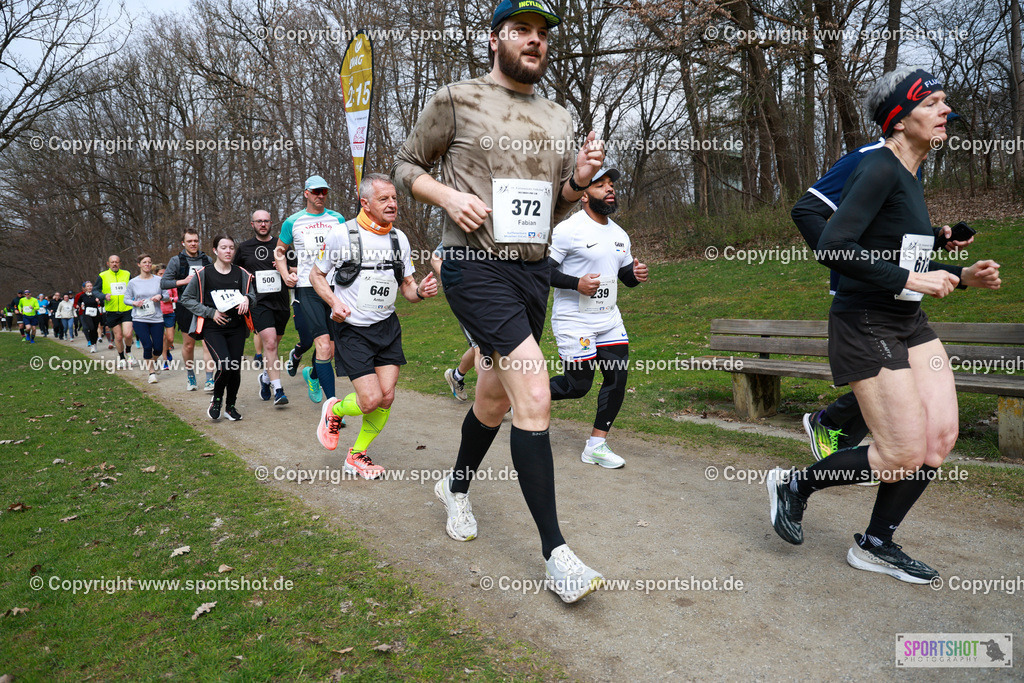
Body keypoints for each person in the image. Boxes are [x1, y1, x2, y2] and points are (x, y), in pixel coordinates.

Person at [393, 0, 607, 603]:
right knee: (533, 391)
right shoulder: (456, 100)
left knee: (492, 398)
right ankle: (556, 554)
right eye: (521, 31)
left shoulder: (561, 119)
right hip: (472, 265)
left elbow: (555, 208)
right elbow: (406, 164)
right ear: (495, 40)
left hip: (531, 275)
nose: (534, 42)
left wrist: (578, 181)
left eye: (542, 33)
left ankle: (455, 488)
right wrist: (445, 199)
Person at [766, 67, 1002, 584]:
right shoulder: (876, 166)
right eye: (933, 102)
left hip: (907, 319)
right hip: (864, 317)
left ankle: (876, 543)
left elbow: (899, 246)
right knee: (899, 452)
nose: (945, 111)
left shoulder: (910, 172)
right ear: (899, 118)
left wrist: (959, 272)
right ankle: (795, 486)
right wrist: (916, 279)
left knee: (938, 440)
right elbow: (831, 244)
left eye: (946, 101)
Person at [792, 139, 972, 472]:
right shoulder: (870, 158)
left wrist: (936, 238)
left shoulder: (911, 165)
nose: (944, 120)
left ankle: (851, 440)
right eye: (932, 107)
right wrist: (851, 261)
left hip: (900, 292)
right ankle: (835, 432)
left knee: (911, 377)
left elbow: (886, 230)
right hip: (864, 292)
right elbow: (806, 210)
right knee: (897, 375)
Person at [313, 174, 438, 477]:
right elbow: (317, 276)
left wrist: (420, 292)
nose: (392, 204)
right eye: (384, 199)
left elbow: (407, 288)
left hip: (387, 326)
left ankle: (357, 455)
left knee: (388, 395)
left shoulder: (400, 239)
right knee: (370, 400)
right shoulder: (343, 235)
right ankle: (335, 409)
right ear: (365, 203)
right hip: (353, 328)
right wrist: (334, 303)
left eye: (394, 198)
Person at [547, 167, 648, 468]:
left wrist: (636, 274)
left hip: (609, 320)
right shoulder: (568, 229)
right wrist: (576, 283)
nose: (609, 189)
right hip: (574, 319)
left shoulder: (619, 234)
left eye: (611, 184)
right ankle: (520, 393)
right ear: (583, 195)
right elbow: (542, 272)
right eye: (600, 184)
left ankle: (596, 445)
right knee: (578, 386)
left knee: (617, 377)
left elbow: (624, 276)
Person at [274, 175, 345, 406]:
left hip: (336, 287)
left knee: (331, 350)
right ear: (306, 193)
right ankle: (333, 406)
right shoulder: (292, 222)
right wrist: (286, 275)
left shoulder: (337, 218)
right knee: (322, 344)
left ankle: (313, 375)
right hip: (307, 287)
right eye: (316, 192)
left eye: (324, 191)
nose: (320, 196)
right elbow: (279, 252)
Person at [181, 235, 256, 421]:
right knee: (224, 364)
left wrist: (248, 299)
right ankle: (216, 399)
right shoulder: (203, 274)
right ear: (215, 250)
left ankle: (230, 406)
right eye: (224, 247)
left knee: (234, 367)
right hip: (213, 328)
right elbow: (186, 299)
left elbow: (253, 295)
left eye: (231, 247)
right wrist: (210, 312)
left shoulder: (241, 273)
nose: (228, 251)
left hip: (236, 327)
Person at [235, 209, 290, 405]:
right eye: (259, 221)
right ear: (252, 224)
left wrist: (284, 268)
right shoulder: (244, 248)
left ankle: (265, 378)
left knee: (275, 343)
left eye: (266, 221)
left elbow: (296, 269)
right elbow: (236, 273)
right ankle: (279, 390)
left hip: (281, 302)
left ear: (271, 223)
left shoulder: (281, 246)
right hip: (258, 302)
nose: (263, 224)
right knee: (270, 343)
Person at [162, 229, 215, 391]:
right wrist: (183, 281)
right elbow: (164, 283)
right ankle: (191, 376)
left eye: (196, 241)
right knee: (189, 345)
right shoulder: (176, 261)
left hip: (205, 306)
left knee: (208, 344)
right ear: (183, 243)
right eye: (190, 241)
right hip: (186, 307)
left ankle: (209, 379)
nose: (193, 244)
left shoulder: (207, 260)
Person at [431, 244, 478, 402]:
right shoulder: (462, 229)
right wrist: (453, 283)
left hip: (496, 298)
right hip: (468, 300)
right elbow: (436, 257)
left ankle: (456, 376)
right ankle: (494, 399)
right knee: (481, 348)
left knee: (481, 347)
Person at [125, 254, 171, 383]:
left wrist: (160, 297)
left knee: (157, 347)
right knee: (147, 345)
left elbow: (166, 295)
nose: (147, 264)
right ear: (139, 264)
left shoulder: (158, 280)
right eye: (144, 262)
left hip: (156, 318)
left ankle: (153, 360)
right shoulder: (133, 282)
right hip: (139, 318)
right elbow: (126, 299)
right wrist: (134, 303)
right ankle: (151, 373)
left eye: (150, 262)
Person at [96, 255, 135, 366]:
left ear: (120, 263)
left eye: (117, 262)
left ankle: (128, 351)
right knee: (118, 337)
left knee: (128, 334)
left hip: (126, 308)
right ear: (108, 264)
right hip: (112, 310)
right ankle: (122, 358)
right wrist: (103, 296)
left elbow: (134, 287)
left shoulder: (127, 274)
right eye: (112, 262)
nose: (114, 264)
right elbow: (95, 290)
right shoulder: (102, 276)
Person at [155, 265, 176, 370]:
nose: (162, 276)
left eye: (164, 274)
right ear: (156, 274)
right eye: (160, 274)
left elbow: (177, 297)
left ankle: (166, 350)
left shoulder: (170, 283)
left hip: (169, 313)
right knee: (162, 338)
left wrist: (170, 299)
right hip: (157, 313)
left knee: (170, 338)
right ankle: (165, 360)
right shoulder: (154, 284)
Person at [76, 282, 103, 352]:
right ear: (85, 288)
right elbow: (78, 302)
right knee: (91, 328)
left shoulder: (96, 295)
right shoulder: (83, 296)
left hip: (95, 313)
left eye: (91, 286)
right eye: (88, 286)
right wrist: (79, 305)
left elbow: (102, 303)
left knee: (95, 329)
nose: (90, 287)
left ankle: (94, 343)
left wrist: (98, 302)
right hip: (87, 313)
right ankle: (92, 345)